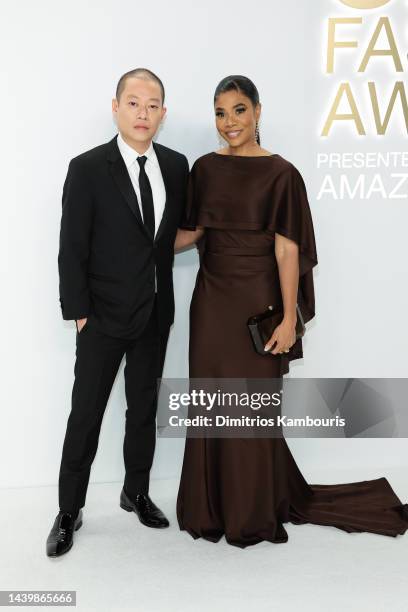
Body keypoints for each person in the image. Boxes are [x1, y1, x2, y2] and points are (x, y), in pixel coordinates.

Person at [174, 75, 408, 548]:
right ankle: (209, 509)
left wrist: (286, 317)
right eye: (220, 113)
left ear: (258, 111)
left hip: (256, 305)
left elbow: (287, 252)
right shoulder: (203, 169)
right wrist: (136, 239)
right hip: (212, 304)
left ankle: (250, 511)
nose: (229, 122)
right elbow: (191, 233)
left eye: (239, 110)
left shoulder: (282, 174)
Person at [47, 68, 189, 557]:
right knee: (84, 414)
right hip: (102, 317)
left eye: (152, 105)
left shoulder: (176, 165)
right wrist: (80, 313)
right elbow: (71, 249)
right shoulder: (87, 168)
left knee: (143, 409)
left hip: (155, 314)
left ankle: (137, 491)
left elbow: (168, 237)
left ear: (163, 114)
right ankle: (69, 510)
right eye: (133, 103)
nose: (143, 113)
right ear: (116, 107)